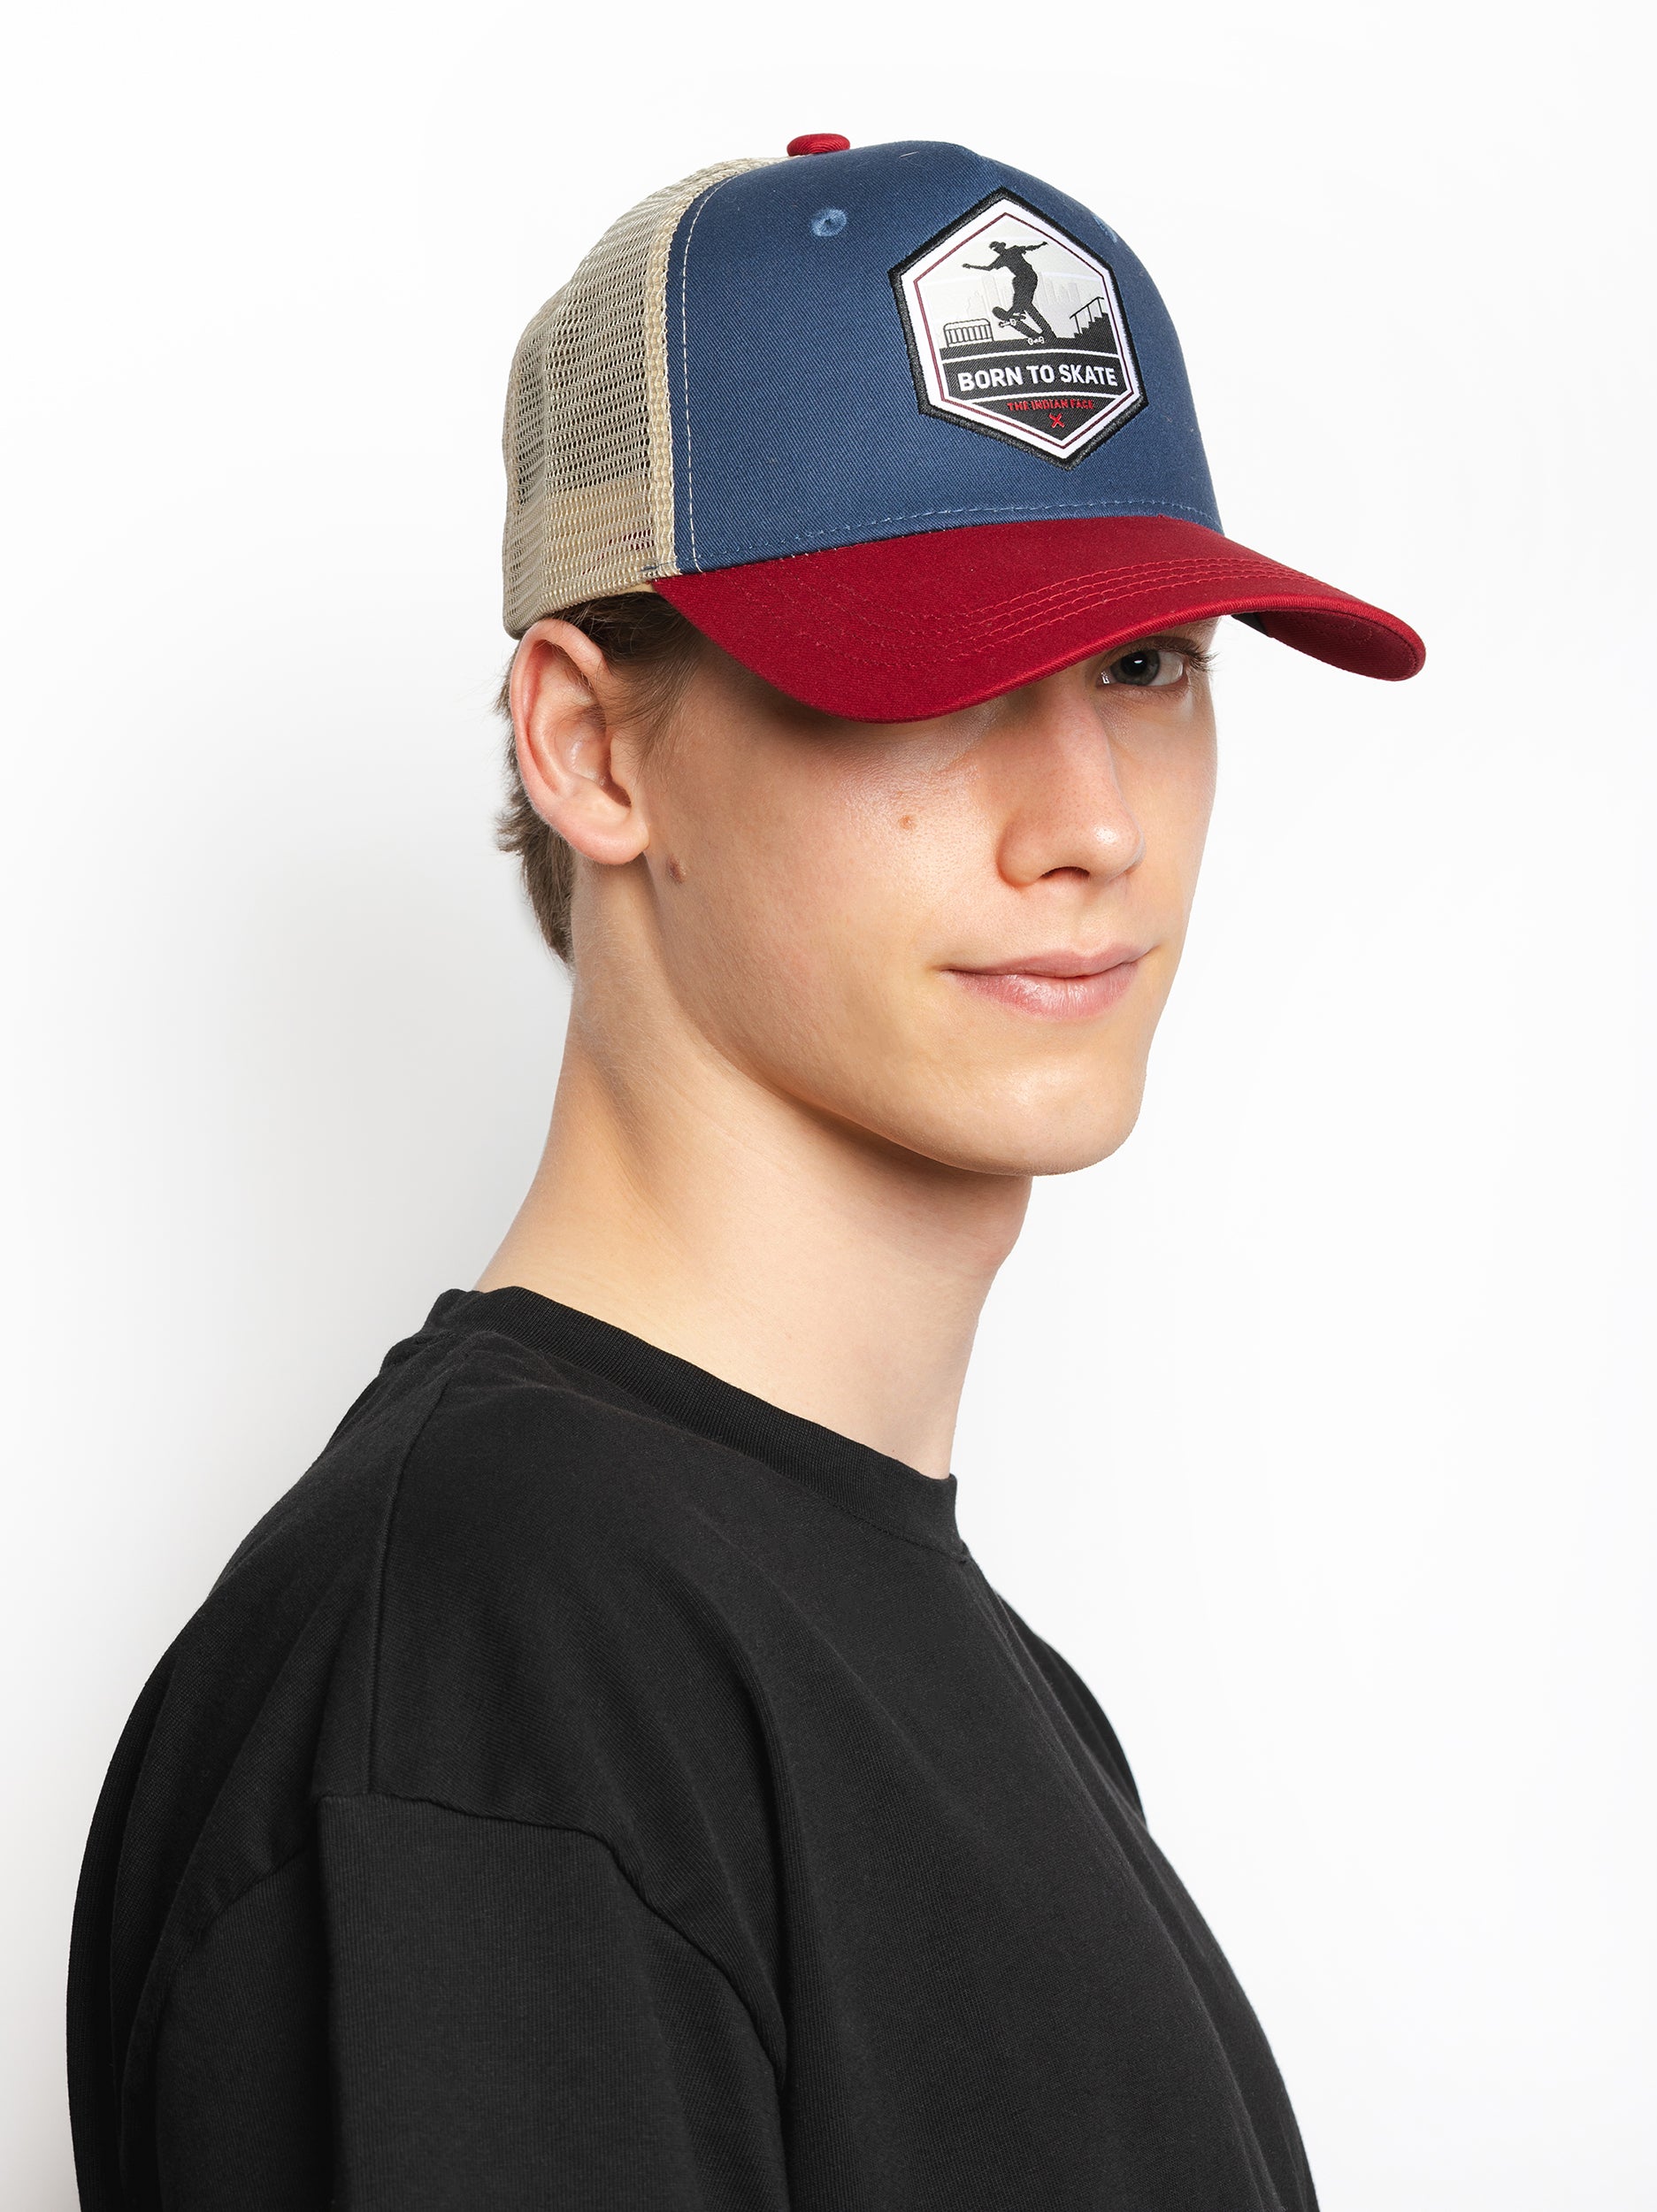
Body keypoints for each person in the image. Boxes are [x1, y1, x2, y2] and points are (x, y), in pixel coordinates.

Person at [66, 134, 1423, 2211]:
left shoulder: (894, 1649)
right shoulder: (494, 1671)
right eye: (937, 673)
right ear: (591, 747)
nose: (1093, 824)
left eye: (1144, 667)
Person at [963, 235, 1058, 341]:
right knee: (1025, 301)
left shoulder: (1014, 249)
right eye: (996, 250)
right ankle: (1044, 329)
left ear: (1002, 246)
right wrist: (971, 266)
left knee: (1024, 299)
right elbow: (988, 268)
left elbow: (1028, 248)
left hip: (1029, 276)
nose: (998, 251)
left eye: (998, 248)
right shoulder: (1001, 259)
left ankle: (1017, 311)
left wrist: (1040, 245)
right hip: (1020, 279)